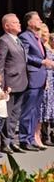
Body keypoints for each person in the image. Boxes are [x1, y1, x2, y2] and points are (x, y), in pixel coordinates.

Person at [19, 11, 52, 151]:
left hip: (41, 78)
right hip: (32, 77)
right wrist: (42, 61)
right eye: (37, 19)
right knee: (28, 110)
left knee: (36, 111)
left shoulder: (36, 37)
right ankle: (24, 139)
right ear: (29, 22)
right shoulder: (25, 37)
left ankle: (31, 138)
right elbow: (25, 56)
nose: (40, 21)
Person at [0, 13, 28, 154]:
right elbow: (0, 65)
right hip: (10, 82)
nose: (19, 24)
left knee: (15, 114)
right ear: (7, 26)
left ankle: (11, 140)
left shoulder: (17, 40)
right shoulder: (4, 41)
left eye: (18, 22)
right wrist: (1, 85)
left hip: (21, 81)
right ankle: (5, 142)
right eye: (15, 22)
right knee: (7, 114)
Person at [36, 25, 54, 148]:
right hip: (46, 77)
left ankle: (48, 134)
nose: (46, 34)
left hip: (52, 77)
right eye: (44, 32)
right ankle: (43, 135)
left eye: (47, 31)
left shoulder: (50, 47)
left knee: (50, 107)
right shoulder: (42, 47)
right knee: (44, 106)